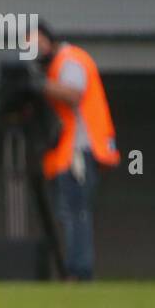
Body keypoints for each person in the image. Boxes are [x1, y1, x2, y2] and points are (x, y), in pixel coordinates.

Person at [31, 21, 119, 281]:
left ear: (50, 39)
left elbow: (73, 95)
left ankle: (79, 272)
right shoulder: (51, 67)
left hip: (80, 149)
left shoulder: (70, 59)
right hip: (67, 152)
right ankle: (75, 270)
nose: (33, 49)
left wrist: (37, 83)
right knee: (69, 211)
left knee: (76, 211)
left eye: (36, 42)